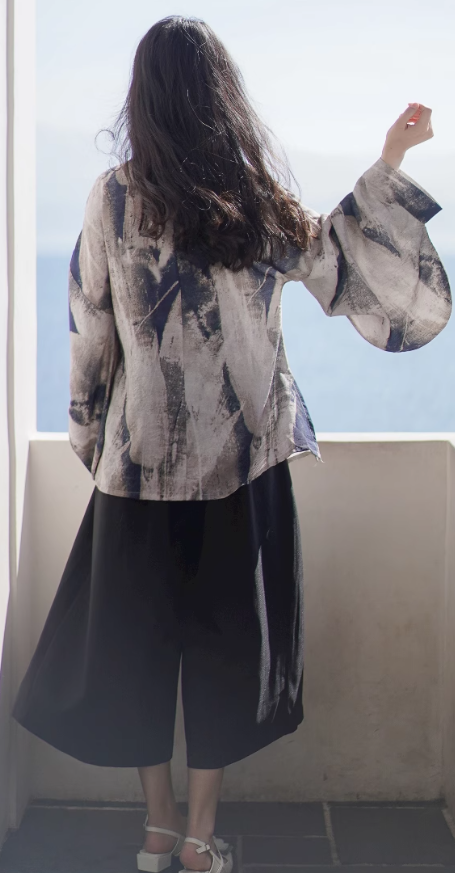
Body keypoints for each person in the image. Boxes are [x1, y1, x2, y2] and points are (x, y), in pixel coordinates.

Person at [12, 14, 451, 873]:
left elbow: (89, 324)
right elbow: (338, 265)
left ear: (142, 97)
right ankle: (200, 838)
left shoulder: (109, 197)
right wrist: (390, 161)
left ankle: (157, 828)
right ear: (221, 96)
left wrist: (93, 437)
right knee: (226, 654)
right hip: (240, 471)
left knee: (137, 652)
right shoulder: (251, 200)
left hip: (136, 471)